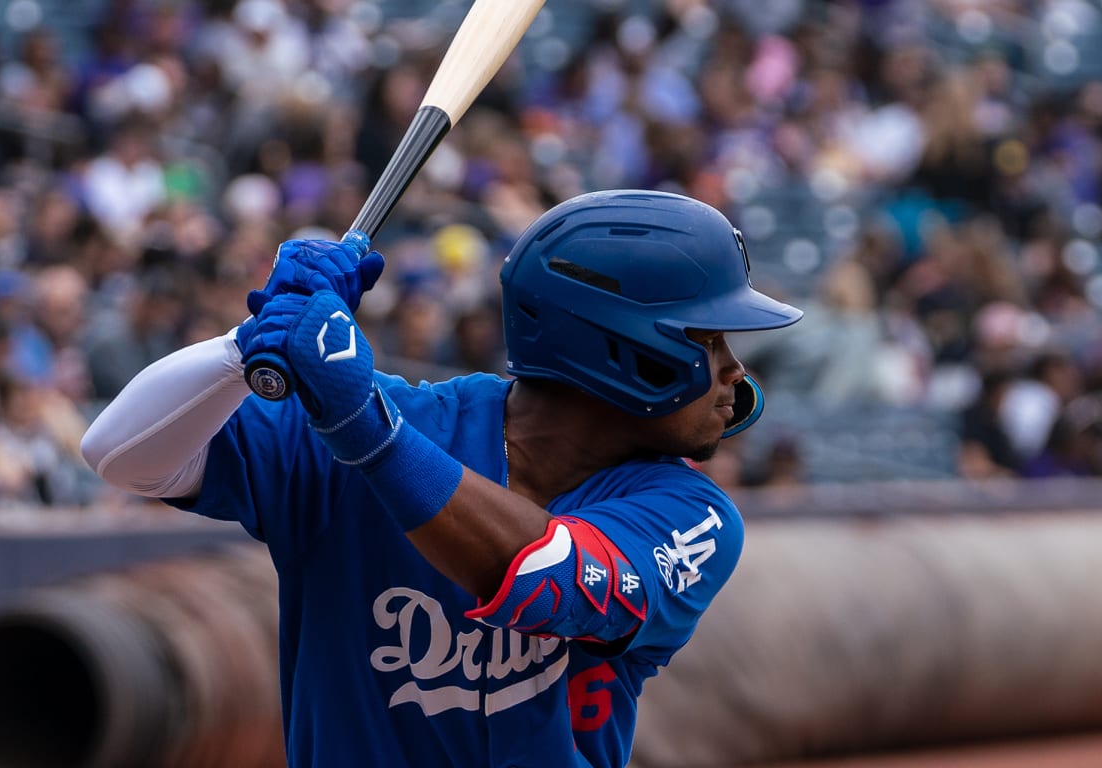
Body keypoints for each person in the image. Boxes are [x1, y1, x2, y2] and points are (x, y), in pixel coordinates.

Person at [80, 190, 802, 766]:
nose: (733, 372)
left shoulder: (688, 511)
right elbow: (122, 454)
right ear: (623, 350)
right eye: (707, 341)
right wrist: (245, 347)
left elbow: (549, 577)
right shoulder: (385, 417)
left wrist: (365, 428)